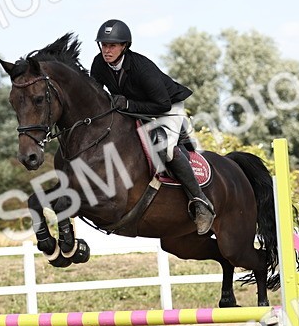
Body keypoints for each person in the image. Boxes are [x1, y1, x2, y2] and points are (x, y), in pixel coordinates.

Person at [89, 18, 215, 234]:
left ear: (124, 46)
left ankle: (201, 202)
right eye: (103, 45)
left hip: (166, 108)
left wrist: (127, 103)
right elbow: (95, 97)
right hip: (132, 109)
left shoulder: (141, 67)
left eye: (111, 45)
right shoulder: (99, 63)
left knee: (165, 148)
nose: (106, 50)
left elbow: (162, 104)